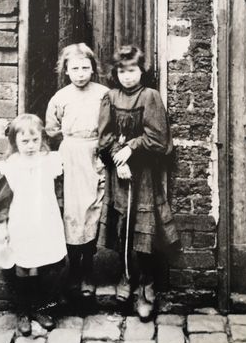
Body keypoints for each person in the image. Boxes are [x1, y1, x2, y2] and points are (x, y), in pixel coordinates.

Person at [98, 45, 178, 321]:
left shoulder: (150, 97)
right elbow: (104, 137)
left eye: (132, 70)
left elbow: (159, 139)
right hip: (120, 174)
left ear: (142, 70)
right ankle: (125, 276)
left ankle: (146, 285)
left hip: (143, 173)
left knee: (144, 229)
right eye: (122, 71)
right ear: (116, 73)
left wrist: (131, 148)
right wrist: (117, 161)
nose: (128, 76)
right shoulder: (110, 97)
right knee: (123, 227)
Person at [0, 114, 67, 336]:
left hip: (45, 221)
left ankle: (41, 308)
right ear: (15, 142)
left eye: (35, 140)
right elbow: (1, 203)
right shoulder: (10, 168)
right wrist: (3, 228)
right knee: (23, 267)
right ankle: (23, 310)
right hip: (21, 223)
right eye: (24, 141)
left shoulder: (50, 162)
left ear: (42, 139)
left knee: (44, 264)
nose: (30, 146)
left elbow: (58, 192)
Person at [45, 43, 109, 298]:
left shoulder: (104, 94)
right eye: (75, 68)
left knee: (93, 210)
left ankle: (88, 271)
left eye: (85, 67)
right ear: (66, 70)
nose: (81, 73)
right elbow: (51, 130)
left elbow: (112, 124)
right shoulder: (60, 97)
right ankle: (73, 271)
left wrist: (103, 151)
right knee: (72, 213)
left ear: (93, 68)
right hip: (71, 156)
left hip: (96, 155)